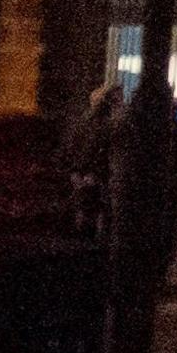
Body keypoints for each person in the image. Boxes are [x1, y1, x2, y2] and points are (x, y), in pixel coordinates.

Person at [59, 82, 121, 238]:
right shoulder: (104, 125)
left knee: (86, 205)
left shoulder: (85, 122)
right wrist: (89, 172)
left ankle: (84, 236)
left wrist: (76, 170)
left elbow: (74, 148)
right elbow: (94, 149)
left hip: (86, 171)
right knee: (97, 205)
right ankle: (94, 239)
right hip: (93, 172)